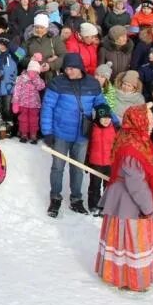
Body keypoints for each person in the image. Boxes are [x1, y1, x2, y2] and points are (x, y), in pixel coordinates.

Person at [93, 105, 153, 291]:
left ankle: (124, 274)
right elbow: (136, 184)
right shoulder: (131, 148)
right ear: (139, 121)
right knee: (130, 241)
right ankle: (130, 278)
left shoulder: (135, 141)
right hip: (129, 205)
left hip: (129, 199)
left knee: (126, 242)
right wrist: (148, 208)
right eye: (149, 120)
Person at [41, 52, 109, 218]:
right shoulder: (57, 83)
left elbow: (101, 103)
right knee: (58, 167)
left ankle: (76, 199)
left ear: (79, 68)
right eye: (66, 68)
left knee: (78, 168)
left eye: (71, 68)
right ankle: (55, 197)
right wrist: (47, 132)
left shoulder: (92, 84)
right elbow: (47, 107)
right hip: (60, 133)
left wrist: (107, 116)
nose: (68, 72)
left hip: (82, 134)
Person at [86, 104, 117, 216]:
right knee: (95, 185)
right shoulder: (92, 128)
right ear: (98, 118)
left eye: (108, 118)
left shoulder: (114, 129)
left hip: (109, 163)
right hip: (96, 163)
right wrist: (86, 161)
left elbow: (117, 146)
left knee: (108, 186)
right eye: (103, 118)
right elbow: (87, 146)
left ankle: (106, 206)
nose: (106, 121)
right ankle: (94, 205)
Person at [12, 59, 45, 144]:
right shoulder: (21, 78)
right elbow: (17, 90)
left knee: (34, 120)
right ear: (28, 69)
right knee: (23, 119)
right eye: (32, 70)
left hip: (34, 104)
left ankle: (33, 134)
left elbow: (41, 87)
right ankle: (24, 134)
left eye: (35, 71)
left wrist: (35, 78)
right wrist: (15, 102)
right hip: (23, 103)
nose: (33, 73)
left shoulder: (38, 78)